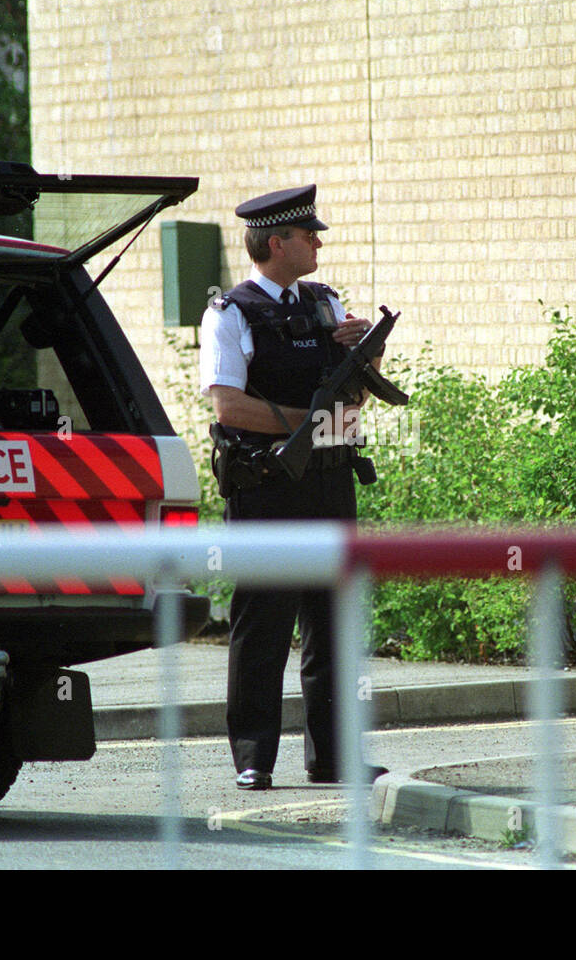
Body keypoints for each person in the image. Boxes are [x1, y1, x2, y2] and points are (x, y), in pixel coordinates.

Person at [200, 184, 387, 789]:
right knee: (264, 628)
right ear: (275, 243)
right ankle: (253, 758)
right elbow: (228, 406)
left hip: (329, 486)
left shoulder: (325, 302)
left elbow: (353, 402)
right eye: (308, 235)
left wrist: (366, 360)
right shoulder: (229, 313)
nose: (318, 242)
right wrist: (297, 425)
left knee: (332, 626)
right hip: (267, 488)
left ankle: (332, 756)